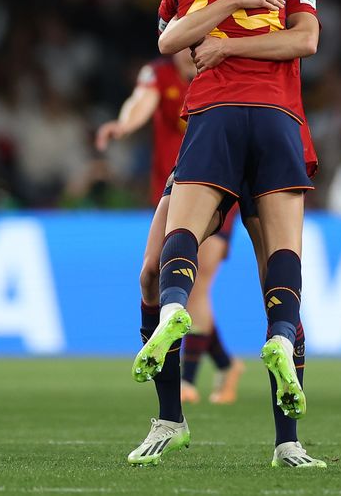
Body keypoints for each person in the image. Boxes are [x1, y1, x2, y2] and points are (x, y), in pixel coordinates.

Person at [128, 0, 324, 468]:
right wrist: (232, 3)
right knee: (269, 276)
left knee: (173, 268)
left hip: (221, 124)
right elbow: (173, 44)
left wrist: (226, 43)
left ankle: (186, 413)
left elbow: (302, 40)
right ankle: (268, 414)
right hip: (257, 127)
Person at [96, 47, 246, 405]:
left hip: (220, 187)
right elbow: (141, 101)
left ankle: (187, 379)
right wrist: (125, 125)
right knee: (163, 276)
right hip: (173, 191)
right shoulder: (160, 74)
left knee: (197, 282)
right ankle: (227, 364)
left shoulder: (224, 69)